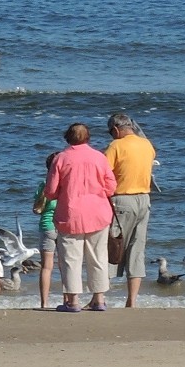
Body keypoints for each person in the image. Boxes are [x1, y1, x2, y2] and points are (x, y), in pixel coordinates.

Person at [44, 123, 116, 312]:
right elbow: (111, 186)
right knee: (99, 256)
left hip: (70, 214)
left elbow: (50, 191)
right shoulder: (99, 157)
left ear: (67, 137)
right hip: (98, 213)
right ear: (88, 138)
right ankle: (98, 299)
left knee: (70, 258)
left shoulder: (61, 158)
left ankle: (73, 301)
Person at [105, 113, 156, 308]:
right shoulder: (146, 144)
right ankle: (131, 301)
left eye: (111, 132)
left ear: (116, 130)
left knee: (112, 247)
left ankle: (98, 297)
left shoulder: (115, 146)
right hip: (144, 199)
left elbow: (104, 173)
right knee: (137, 249)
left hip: (122, 199)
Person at [32, 151, 60, 309]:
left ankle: (44, 303)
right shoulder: (65, 183)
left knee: (46, 267)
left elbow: (37, 209)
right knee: (65, 266)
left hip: (47, 226)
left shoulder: (43, 185)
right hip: (63, 226)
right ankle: (68, 299)